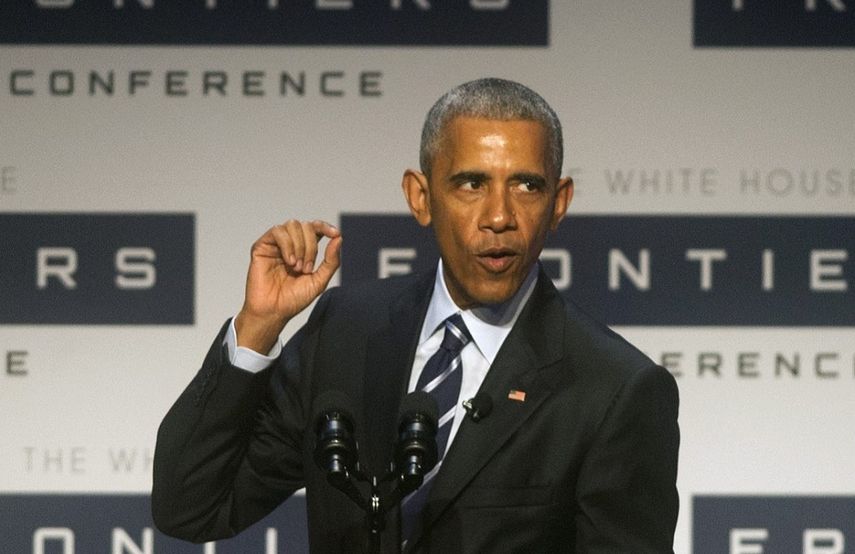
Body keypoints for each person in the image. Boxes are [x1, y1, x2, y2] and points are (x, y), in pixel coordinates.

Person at [152, 78, 680, 553]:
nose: (499, 216)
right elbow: (194, 507)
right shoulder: (344, 332)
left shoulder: (615, 390)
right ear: (420, 197)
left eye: (527, 185)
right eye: (472, 184)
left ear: (558, 203)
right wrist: (258, 326)